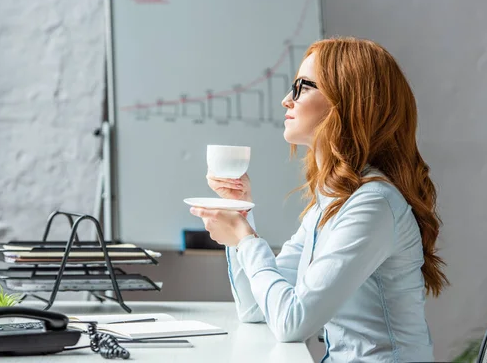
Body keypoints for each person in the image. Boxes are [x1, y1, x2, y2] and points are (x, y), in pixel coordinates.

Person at [189, 37, 448, 362]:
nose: (286, 100)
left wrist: (245, 241)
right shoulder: (332, 201)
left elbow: (291, 322)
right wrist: (240, 212)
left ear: (347, 101)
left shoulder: (373, 205)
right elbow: (256, 308)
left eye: (302, 87)